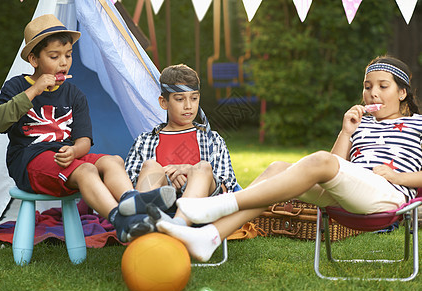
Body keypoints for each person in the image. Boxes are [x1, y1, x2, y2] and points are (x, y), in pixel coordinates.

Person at [149, 56, 422, 262]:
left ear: (402, 93)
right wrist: (346, 131)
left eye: (383, 86)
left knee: (319, 161)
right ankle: (209, 237)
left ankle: (217, 206)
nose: (372, 93)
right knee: (278, 168)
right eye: (367, 86)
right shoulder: (361, 124)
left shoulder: (418, 124)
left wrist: (398, 177)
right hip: (353, 194)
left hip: (389, 195)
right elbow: (338, 170)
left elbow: (330, 167)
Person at [0, 14, 175, 243]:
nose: (63, 62)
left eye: (68, 55)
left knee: (113, 161)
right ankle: (121, 221)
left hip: (67, 159)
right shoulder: (17, 86)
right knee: (87, 171)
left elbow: (84, 140)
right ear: (34, 60)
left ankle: (131, 201)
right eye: (54, 56)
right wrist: (35, 90)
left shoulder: (74, 94)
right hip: (29, 162)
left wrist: (75, 152)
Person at [121, 64, 238, 239]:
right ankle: (142, 224)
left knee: (204, 167)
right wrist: (166, 177)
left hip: (203, 209)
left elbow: (226, 187)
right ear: (164, 102)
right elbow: (131, 187)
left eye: (194, 98)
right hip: (157, 208)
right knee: (151, 165)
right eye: (179, 99)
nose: (188, 106)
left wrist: (189, 172)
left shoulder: (212, 140)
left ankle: (179, 225)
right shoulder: (144, 141)